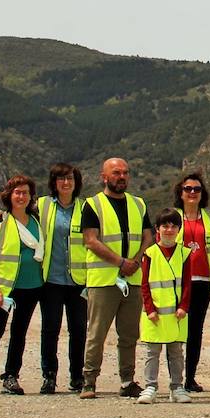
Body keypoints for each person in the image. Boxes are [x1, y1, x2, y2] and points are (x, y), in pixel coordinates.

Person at [79, 157, 152, 399]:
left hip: (132, 280)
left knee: (129, 334)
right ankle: (89, 381)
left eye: (125, 173)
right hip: (103, 281)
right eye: (116, 173)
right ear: (104, 176)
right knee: (97, 333)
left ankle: (127, 380)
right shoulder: (93, 205)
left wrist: (137, 260)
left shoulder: (138, 204)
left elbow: (147, 237)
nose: (122, 177)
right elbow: (91, 240)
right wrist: (120, 262)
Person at [0, 174, 44, 396]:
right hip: (4, 288)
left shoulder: (36, 222)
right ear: (9, 195)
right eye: (17, 192)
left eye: (25, 192)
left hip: (31, 286)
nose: (21, 196)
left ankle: (11, 375)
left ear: (31, 196)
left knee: (19, 333)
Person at [36, 163, 86, 395]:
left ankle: (77, 376)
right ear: (53, 183)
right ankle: (49, 376)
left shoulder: (85, 208)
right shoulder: (43, 205)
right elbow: (17, 215)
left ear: (76, 183)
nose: (66, 183)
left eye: (70, 179)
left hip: (78, 280)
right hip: (51, 279)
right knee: (50, 329)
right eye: (61, 179)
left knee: (78, 330)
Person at [137, 209, 193, 404]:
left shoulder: (184, 253)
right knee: (152, 352)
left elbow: (187, 283)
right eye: (165, 226)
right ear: (157, 229)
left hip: (176, 314)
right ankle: (150, 386)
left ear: (179, 229)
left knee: (176, 352)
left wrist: (184, 306)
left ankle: (177, 387)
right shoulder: (150, 253)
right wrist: (150, 308)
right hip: (155, 314)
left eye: (173, 226)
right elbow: (144, 284)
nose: (169, 230)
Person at [172, 171, 210, 394]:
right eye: (188, 189)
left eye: (197, 189)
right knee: (175, 331)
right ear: (180, 193)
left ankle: (190, 378)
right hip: (178, 282)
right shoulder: (172, 217)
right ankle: (175, 378)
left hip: (202, 282)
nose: (192, 193)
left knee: (195, 332)